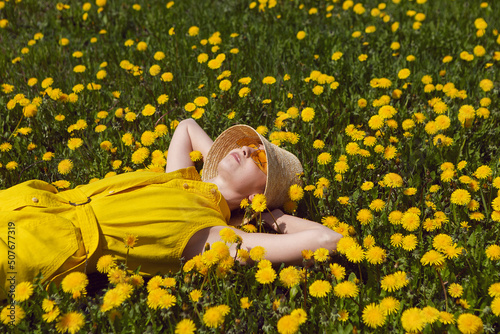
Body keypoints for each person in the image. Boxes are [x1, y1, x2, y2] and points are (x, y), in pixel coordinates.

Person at [0, 119, 341, 300]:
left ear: (259, 196)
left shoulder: (209, 236)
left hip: (41, 246)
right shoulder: (181, 179)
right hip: (29, 201)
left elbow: (327, 239)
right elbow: (186, 126)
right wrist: (216, 174)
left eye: (261, 159)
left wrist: (267, 215)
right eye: (249, 146)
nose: (249, 150)